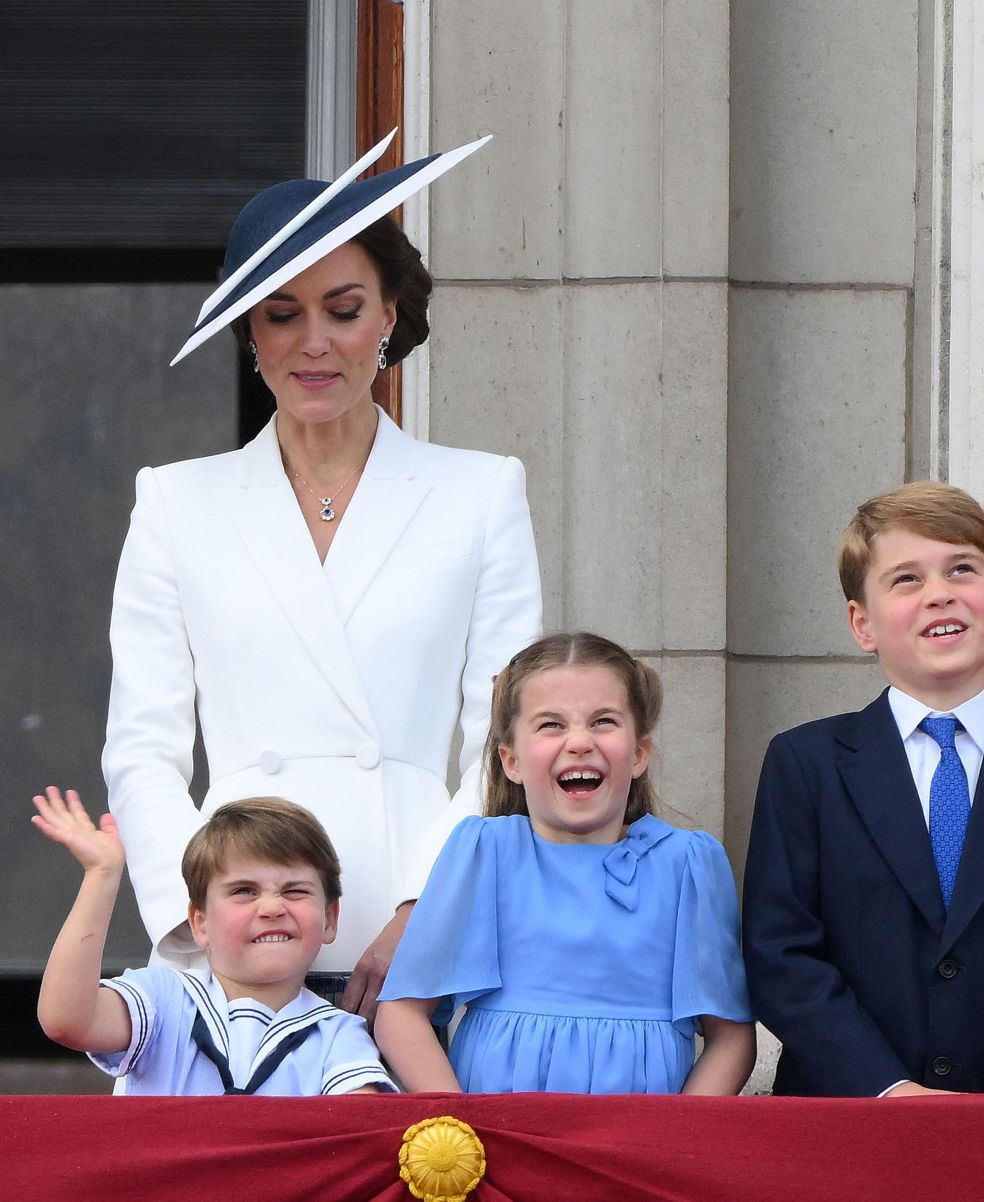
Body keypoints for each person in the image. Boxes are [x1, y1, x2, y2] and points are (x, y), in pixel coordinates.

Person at [101, 131, 543, 1019]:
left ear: (387, 316)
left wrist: (428, 907)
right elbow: (141, 751)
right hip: (227, 938)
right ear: (246, 328)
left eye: (342, 309)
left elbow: (509, 738)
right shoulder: (175, 503)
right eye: (281, 312)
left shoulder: (480, 491)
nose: (314, 344)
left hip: (411, 935)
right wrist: (202, 919)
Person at [743, 481, 984, 1097]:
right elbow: (780, 953)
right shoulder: (806, 765)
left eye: (961, 570)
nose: (940, 595)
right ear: (862, 623)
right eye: (906, 580)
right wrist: (888, 1090)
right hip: (845, 1120)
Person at [376, 632, 756, 1094]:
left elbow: (730, 1037)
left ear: (638, 754)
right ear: (511, 760)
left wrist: (675, 1143)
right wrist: (461, 1125)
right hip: (500, 1141)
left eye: (603, 721)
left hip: (636, 1147)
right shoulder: (484, 852)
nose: (579, 741)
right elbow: (401, 1013)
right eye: (551, 725)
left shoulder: (688, 865)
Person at [32, 788, 393, 1095]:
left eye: (294, 890)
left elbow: (356, 1137)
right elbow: (67, 1020)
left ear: (329, 919)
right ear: (199, 923)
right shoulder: (163, 1000)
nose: (271, 907)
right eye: (243, 891)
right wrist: (102, 874)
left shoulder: (339, 1035)